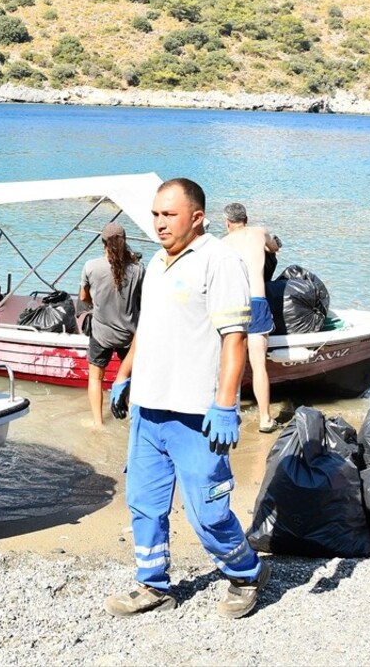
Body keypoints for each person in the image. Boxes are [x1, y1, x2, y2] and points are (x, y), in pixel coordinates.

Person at [104, 178, 267, 619]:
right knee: (144, 501)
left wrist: (227, 403)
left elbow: (234, 339)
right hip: (149, 408)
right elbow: (147, 329)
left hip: (197, 414)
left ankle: (247, 573)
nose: (159, 223)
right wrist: (123, 376)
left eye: (169, 215)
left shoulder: (219, 261)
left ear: (197, 217)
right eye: (156, 214)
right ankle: (152, 584)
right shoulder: (156, 262)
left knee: (208, 512)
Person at [221, 202, 283, 433]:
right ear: (246, 219)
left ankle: (230, 413)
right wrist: (271, 246)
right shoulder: (259, 232)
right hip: (256, 303)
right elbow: (274, 247)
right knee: (259, 366)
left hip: (232, 305)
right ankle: (266, 419)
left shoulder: (221, 244)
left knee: (230, 363)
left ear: (227, 223)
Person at [79, 222, 144, 426]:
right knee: (132, 379)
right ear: (125, 242)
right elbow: (142, 301)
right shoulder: (138, 269)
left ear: (103, 243)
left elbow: (83, 297)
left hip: (101, 334)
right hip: (129, 335)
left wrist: (94, 303)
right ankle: (133, 421)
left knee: (96, 377)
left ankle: (98, 424)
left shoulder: (91, 266)